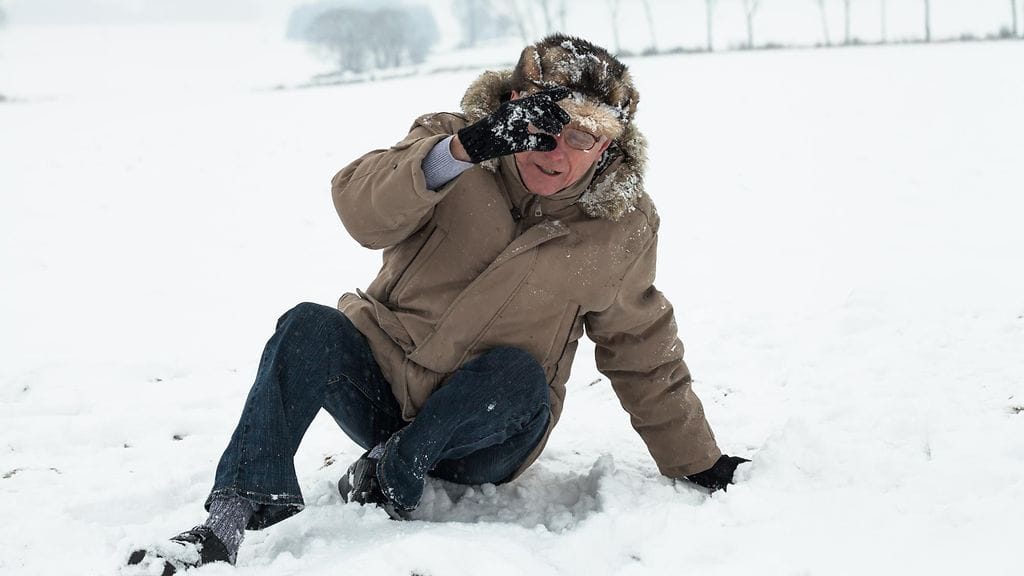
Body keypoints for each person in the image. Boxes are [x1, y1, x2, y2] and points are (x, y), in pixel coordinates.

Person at [126, 34, 749, 575]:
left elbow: (640, 346)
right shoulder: (447, 147)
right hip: (381, 388)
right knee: (307, 327)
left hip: (488, 429)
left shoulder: (621, 226)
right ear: (510, 107)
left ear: (610, 147)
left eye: (582, 137)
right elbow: (359, 211)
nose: (553, 151)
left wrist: (699, 461)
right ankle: (232, 517)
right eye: (541, 125)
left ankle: (396, 468)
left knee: (516, 374)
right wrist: (462, 153)